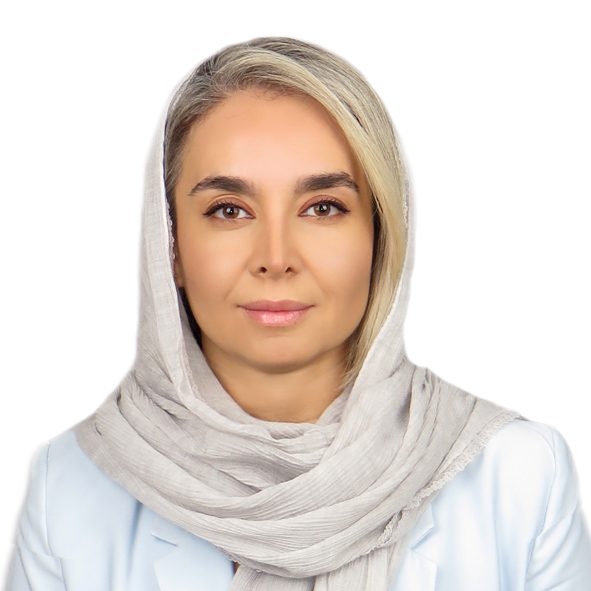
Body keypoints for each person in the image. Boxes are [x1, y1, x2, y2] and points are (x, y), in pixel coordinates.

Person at [4, 36, 591, 591]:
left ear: (381, 237)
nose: (276, 257)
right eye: (229, 210)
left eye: (323, 207)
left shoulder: (519, 478)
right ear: (170, 248)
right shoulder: (71, 488)